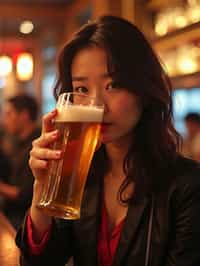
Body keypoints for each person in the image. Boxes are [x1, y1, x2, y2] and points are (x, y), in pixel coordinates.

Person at [15, 15, 200, 266]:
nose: (98, 105)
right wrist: (42, 192)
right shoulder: (79, 175)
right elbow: (41, 261)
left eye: (113, 85)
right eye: (82, 89)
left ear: (144, 90)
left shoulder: (187, 185)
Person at [0, 94, 41, 229]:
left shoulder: (38, 145)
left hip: (25, 218)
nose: (5, 121)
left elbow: (25, 195)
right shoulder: (18, 143)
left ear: (24, 115)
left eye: (9, 114)